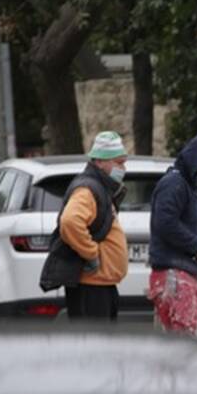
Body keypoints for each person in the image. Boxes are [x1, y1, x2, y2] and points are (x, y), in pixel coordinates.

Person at [147, 133, 197, 338]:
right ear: (196, 162)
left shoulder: (194, 188)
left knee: (181, 345)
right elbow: (166, 223)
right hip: (173, 275)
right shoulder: (174, 184)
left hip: (185, 275)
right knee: (193, 343)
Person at [52, 131, 130, 320]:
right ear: (100, 162)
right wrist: (91, 253)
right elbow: (70, 221)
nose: (123, 168)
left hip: (100, 284)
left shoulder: (99, 187)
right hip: (91, 287)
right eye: (118, 163)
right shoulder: (87, 189)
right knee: (93, 338)